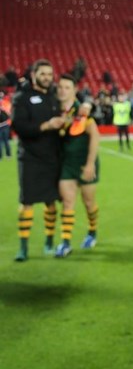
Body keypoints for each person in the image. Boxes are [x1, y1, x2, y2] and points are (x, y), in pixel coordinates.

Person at [11, 60, 65, 262]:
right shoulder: (22, 97)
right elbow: (19, 126)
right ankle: (23, 248)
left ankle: (49, 242)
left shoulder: (54, 96)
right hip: (30, 157)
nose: (47, 78)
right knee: (27, 202)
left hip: (52, 157)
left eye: (50, 74)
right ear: (34, 75)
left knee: (51, 202)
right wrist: (46, 126)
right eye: (43, 74)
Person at [54, 74, 100, 256]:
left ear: (74, 90)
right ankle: (65, 243)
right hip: (66, 163)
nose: (63, 91)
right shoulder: (54, 110)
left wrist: (90, 164)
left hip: (84, 163)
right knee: (67, 202)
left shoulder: (82, 112)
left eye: (67, 87)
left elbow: (95, 136)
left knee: (88, 202)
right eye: (60, 87)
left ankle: (92, 231)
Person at [0, 90, 12, 160]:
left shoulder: (6, 103)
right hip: (4, 125)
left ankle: (8, 154)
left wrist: (3, 109)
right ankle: (1, 156)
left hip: (5, 125)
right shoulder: (6, 103)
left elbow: (9, 114)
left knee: (5, 141)